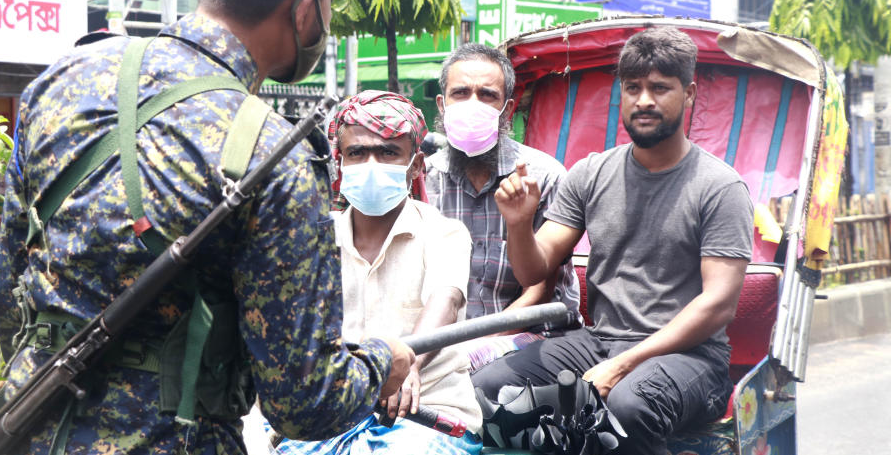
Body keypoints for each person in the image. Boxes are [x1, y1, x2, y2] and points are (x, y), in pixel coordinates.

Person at [0, 0, 413, 453]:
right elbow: (303, 403)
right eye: (331, 4)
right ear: (306, 7)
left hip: (29, 428)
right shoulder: (275, 155)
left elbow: (9, 290)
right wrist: (384, 360)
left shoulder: (63, 79)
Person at [470, 27, 754, 454]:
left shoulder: (720, 187)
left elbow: (718, 305)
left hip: (693, 358)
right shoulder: (591, 172)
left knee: (626, 405)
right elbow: (534, 269)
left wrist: (621, 365)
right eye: (633, 87)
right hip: (600, 340)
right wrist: (519, 223)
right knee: (487, 386)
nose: (644, 100)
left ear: (690, 93)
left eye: (660, 88)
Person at [275, 91, 483, 454]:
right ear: (340, 163)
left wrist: (405, 363)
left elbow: (445, 301)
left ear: (416, 164)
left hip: (430, 416)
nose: (371, 162)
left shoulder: (444, 232)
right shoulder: (316, 240)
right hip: (335, 417)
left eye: (388, 152)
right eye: (357, 153)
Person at [425, 43, 580, 371]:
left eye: (486, 95)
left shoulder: (543, 177)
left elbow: (539, 289)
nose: (472, 104)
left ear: (507, 110)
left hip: (535, 334)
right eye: (461, 93)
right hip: (449, 339)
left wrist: (477, 344)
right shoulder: (426, 179)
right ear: (442, 104)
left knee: (474, 380)